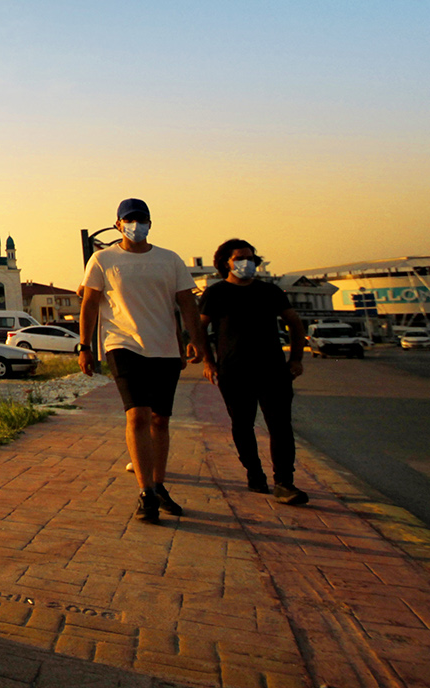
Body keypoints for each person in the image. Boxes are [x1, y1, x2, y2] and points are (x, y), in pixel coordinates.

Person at [79, 198, 214, 523]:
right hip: (123, 345)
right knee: (137, 416)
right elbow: (90, 303)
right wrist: (84, 346)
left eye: (142, 220)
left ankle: (157, 484)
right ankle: (146, 493)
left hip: (165, 349)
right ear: (118, 224)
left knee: (160, 421)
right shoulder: (102, 259)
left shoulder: (169, 260)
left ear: (150, 223)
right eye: (130, 220)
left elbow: (186, 303)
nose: (136, 225)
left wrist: (195, 341)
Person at [199, 239, 309, 505]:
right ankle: (254, 473)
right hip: (234, 371)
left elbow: (294, 323)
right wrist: (208, 362)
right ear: (225, 261)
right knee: (242, 425)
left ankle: (284, 482)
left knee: (281, 426)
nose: (246, 263)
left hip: (273, 370)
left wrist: (295, 360)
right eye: (239, 258)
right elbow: (200, 328)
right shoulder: (216, 293)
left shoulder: (269, 292)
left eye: (250, 258)